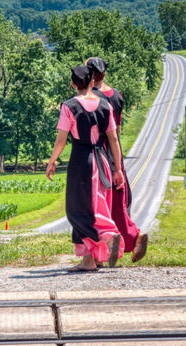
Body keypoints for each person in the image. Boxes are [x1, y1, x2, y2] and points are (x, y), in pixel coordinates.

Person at [46, 65, 125, 272]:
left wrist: (52, 161)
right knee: (98, 205)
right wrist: (118, 169)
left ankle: (108, 235)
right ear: (92, 82)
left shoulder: (69, 106)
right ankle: (91, 259)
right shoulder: (105, 105)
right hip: (103, 160)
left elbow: (61, 140)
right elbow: (114, 139)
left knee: (78, 211)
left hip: (82, 162)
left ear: (73, 84)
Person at [86, 57, 148, 263]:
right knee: (117, 202)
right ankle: (123, 241)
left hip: (99, 151)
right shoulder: (116, 95)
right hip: (115, 152)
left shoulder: (90, 97)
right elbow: (117, 130)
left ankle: (106, 249)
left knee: (98, 203)